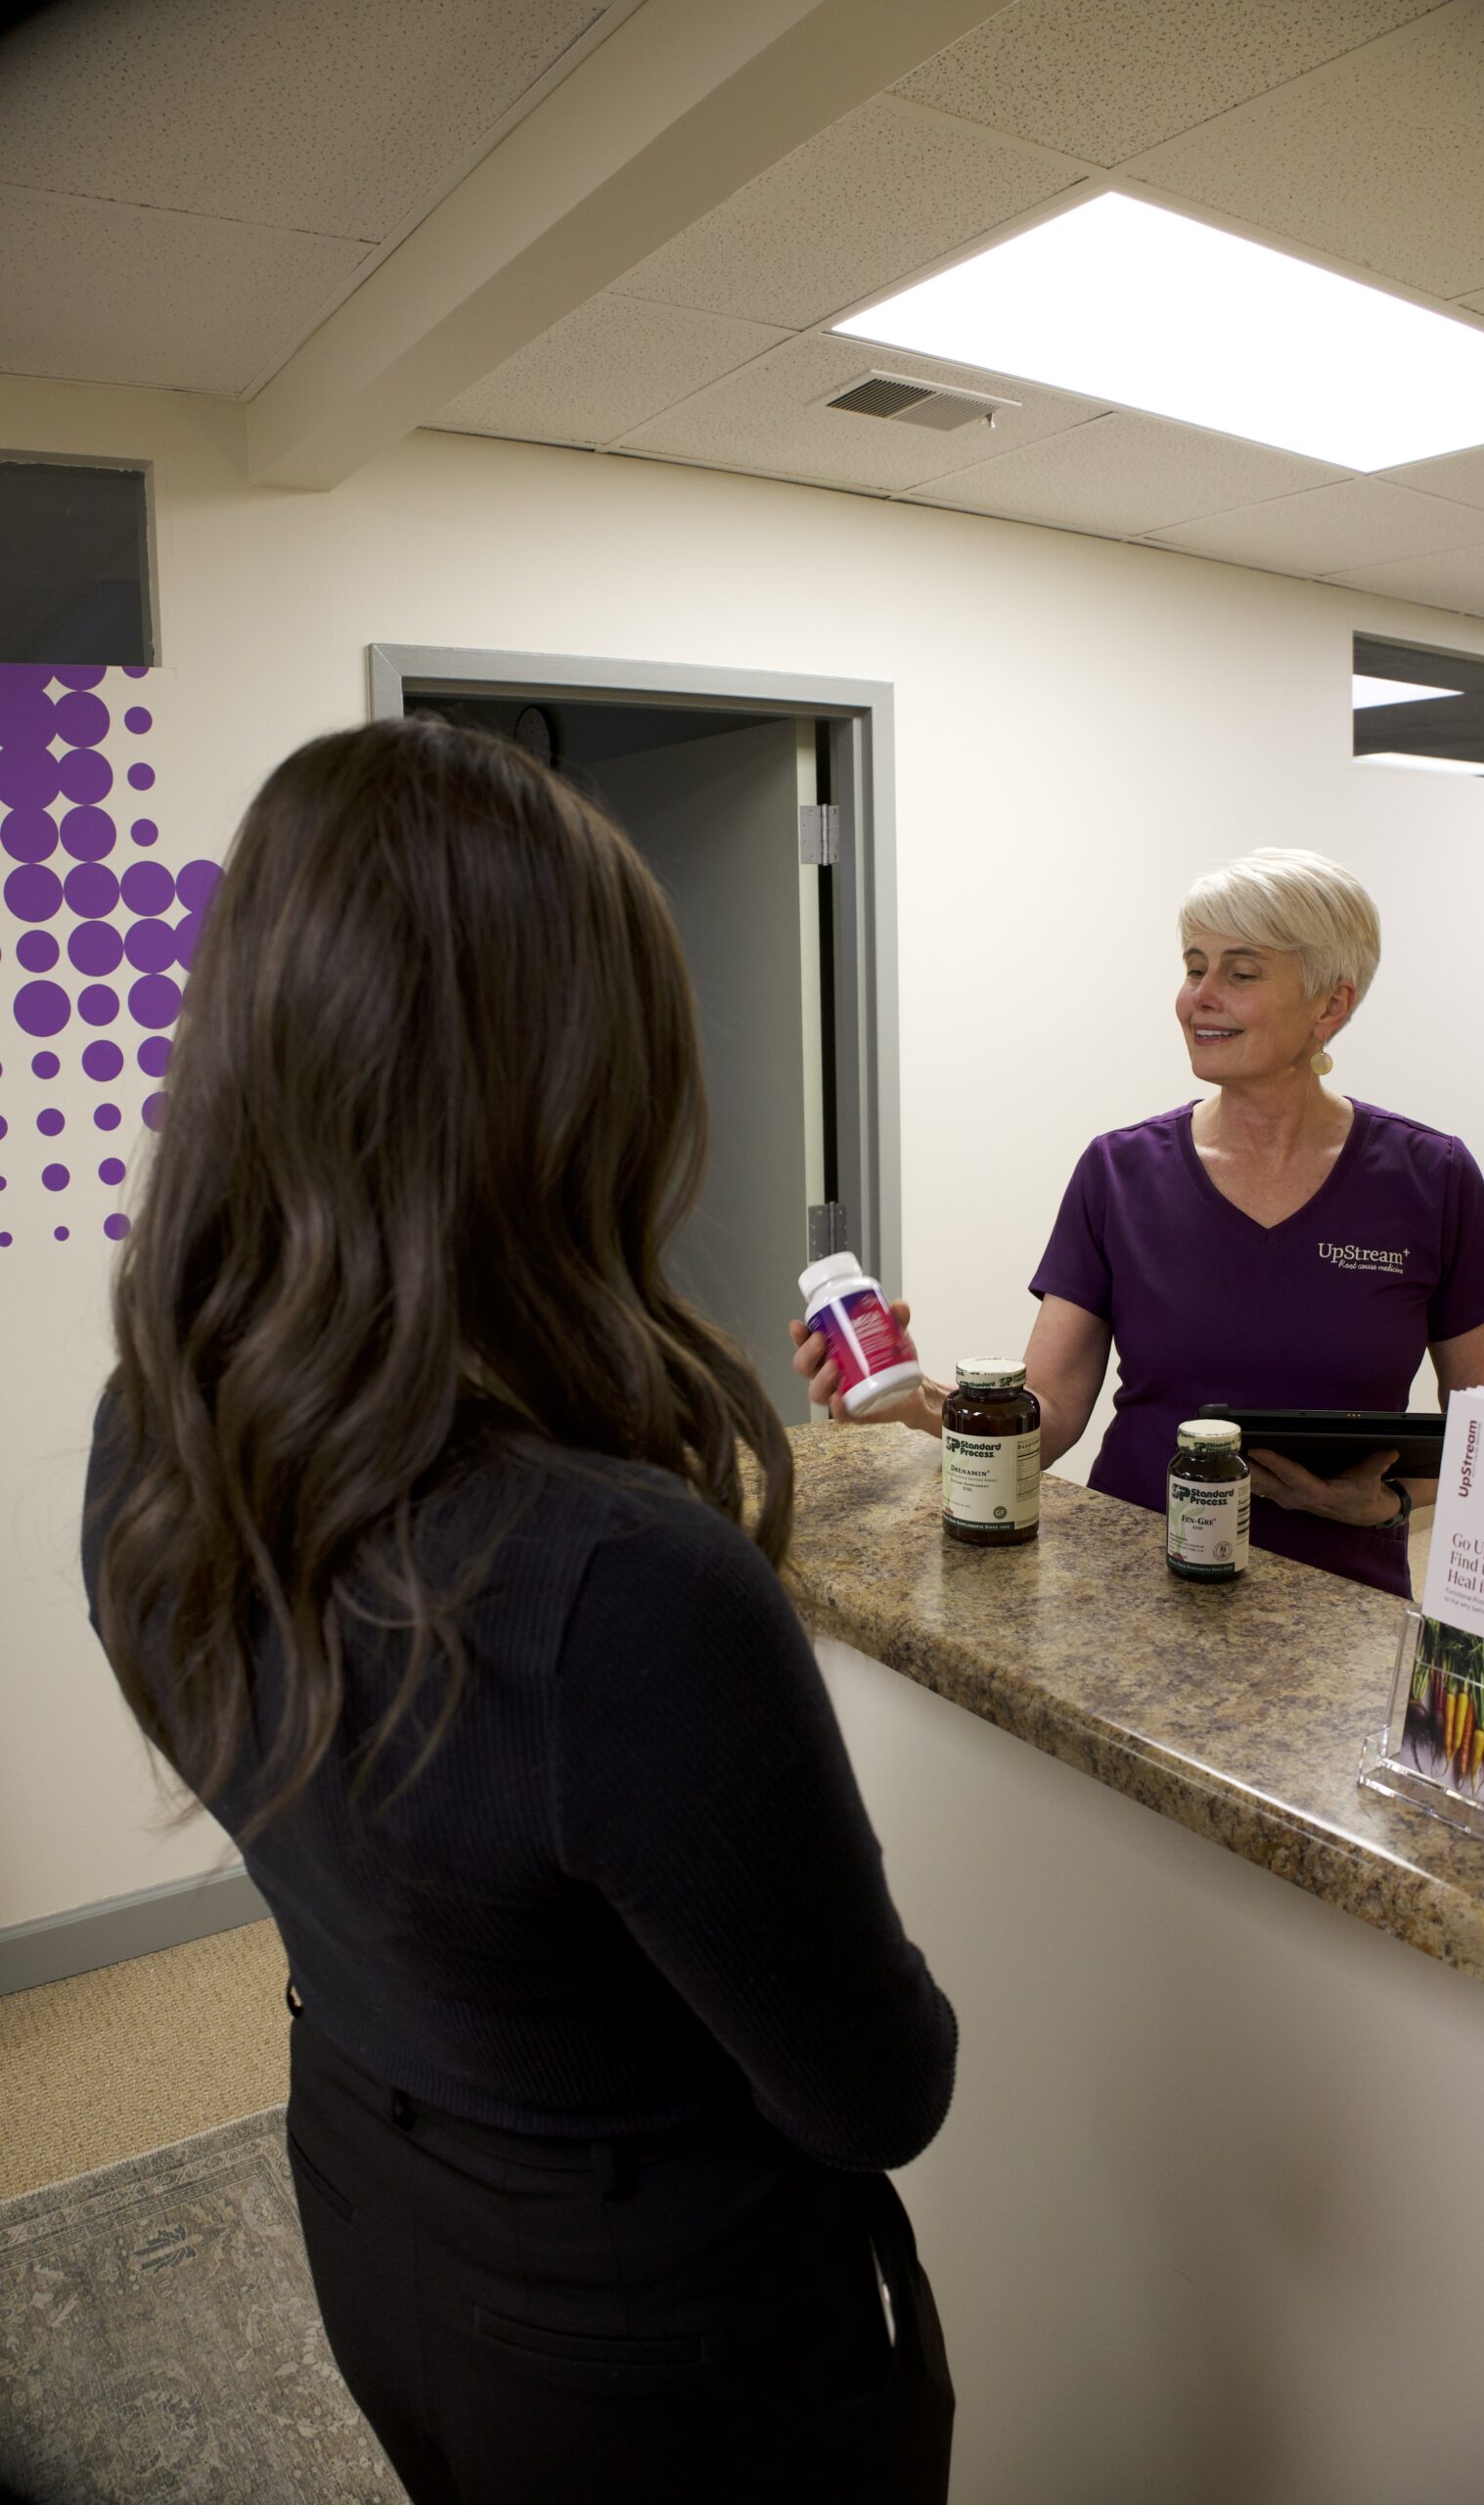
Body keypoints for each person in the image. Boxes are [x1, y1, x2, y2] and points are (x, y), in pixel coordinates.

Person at [81, 718, 957, 2505]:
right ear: (571, 1087)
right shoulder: (622, 1586)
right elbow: (879, 2092)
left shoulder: (162, 1429)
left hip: (372, 2201)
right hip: (650, 2345)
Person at [793, 847, 1484, 1598]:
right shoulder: (1117, 1172)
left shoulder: (1431, 1178)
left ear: (1329, 1005)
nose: (1198, 997)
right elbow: (1044, 1423)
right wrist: (910, 1397)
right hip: (1131, 1593)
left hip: (1339, 1605)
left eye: (1239, 974)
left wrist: (1386, 1502)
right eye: (1192, 967)